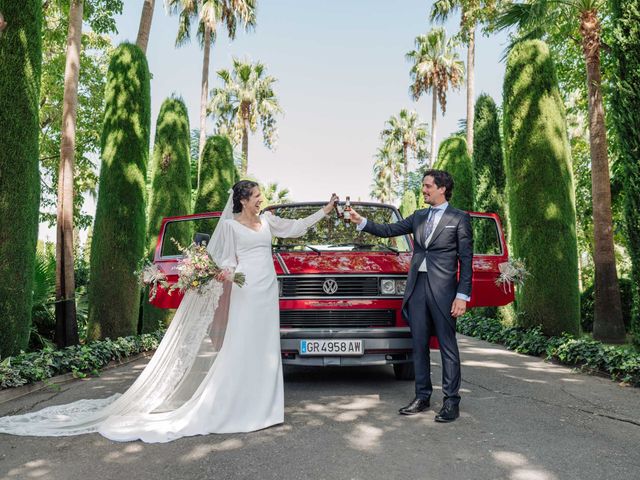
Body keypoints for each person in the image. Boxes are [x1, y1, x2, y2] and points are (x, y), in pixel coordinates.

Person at [0, 181, 337, 442]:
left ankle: (267, 407)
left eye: (261, 195)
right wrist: (227, 272)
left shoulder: (267, 222)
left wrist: (325, 210)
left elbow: (296, 228)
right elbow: (225, 260)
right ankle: (236, 405)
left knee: (265, 349)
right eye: (257, 195)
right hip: (246, 292)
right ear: (243, 199)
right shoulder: (231, 226)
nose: (261, 199)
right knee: (242, 346)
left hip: (267, 291)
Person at [348, 169, 472, 422]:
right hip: (417, 289)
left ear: (442, 188)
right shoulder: (418, 216)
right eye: (423, 186)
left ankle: (451, 402)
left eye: (427, 186)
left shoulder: (459, 218)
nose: (423, 190)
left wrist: (462, 295)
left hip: (444, 291)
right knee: (419, 346)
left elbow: (466, 260)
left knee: (448, 346)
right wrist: (360, 221)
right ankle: (422, 397)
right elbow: (388, 230)